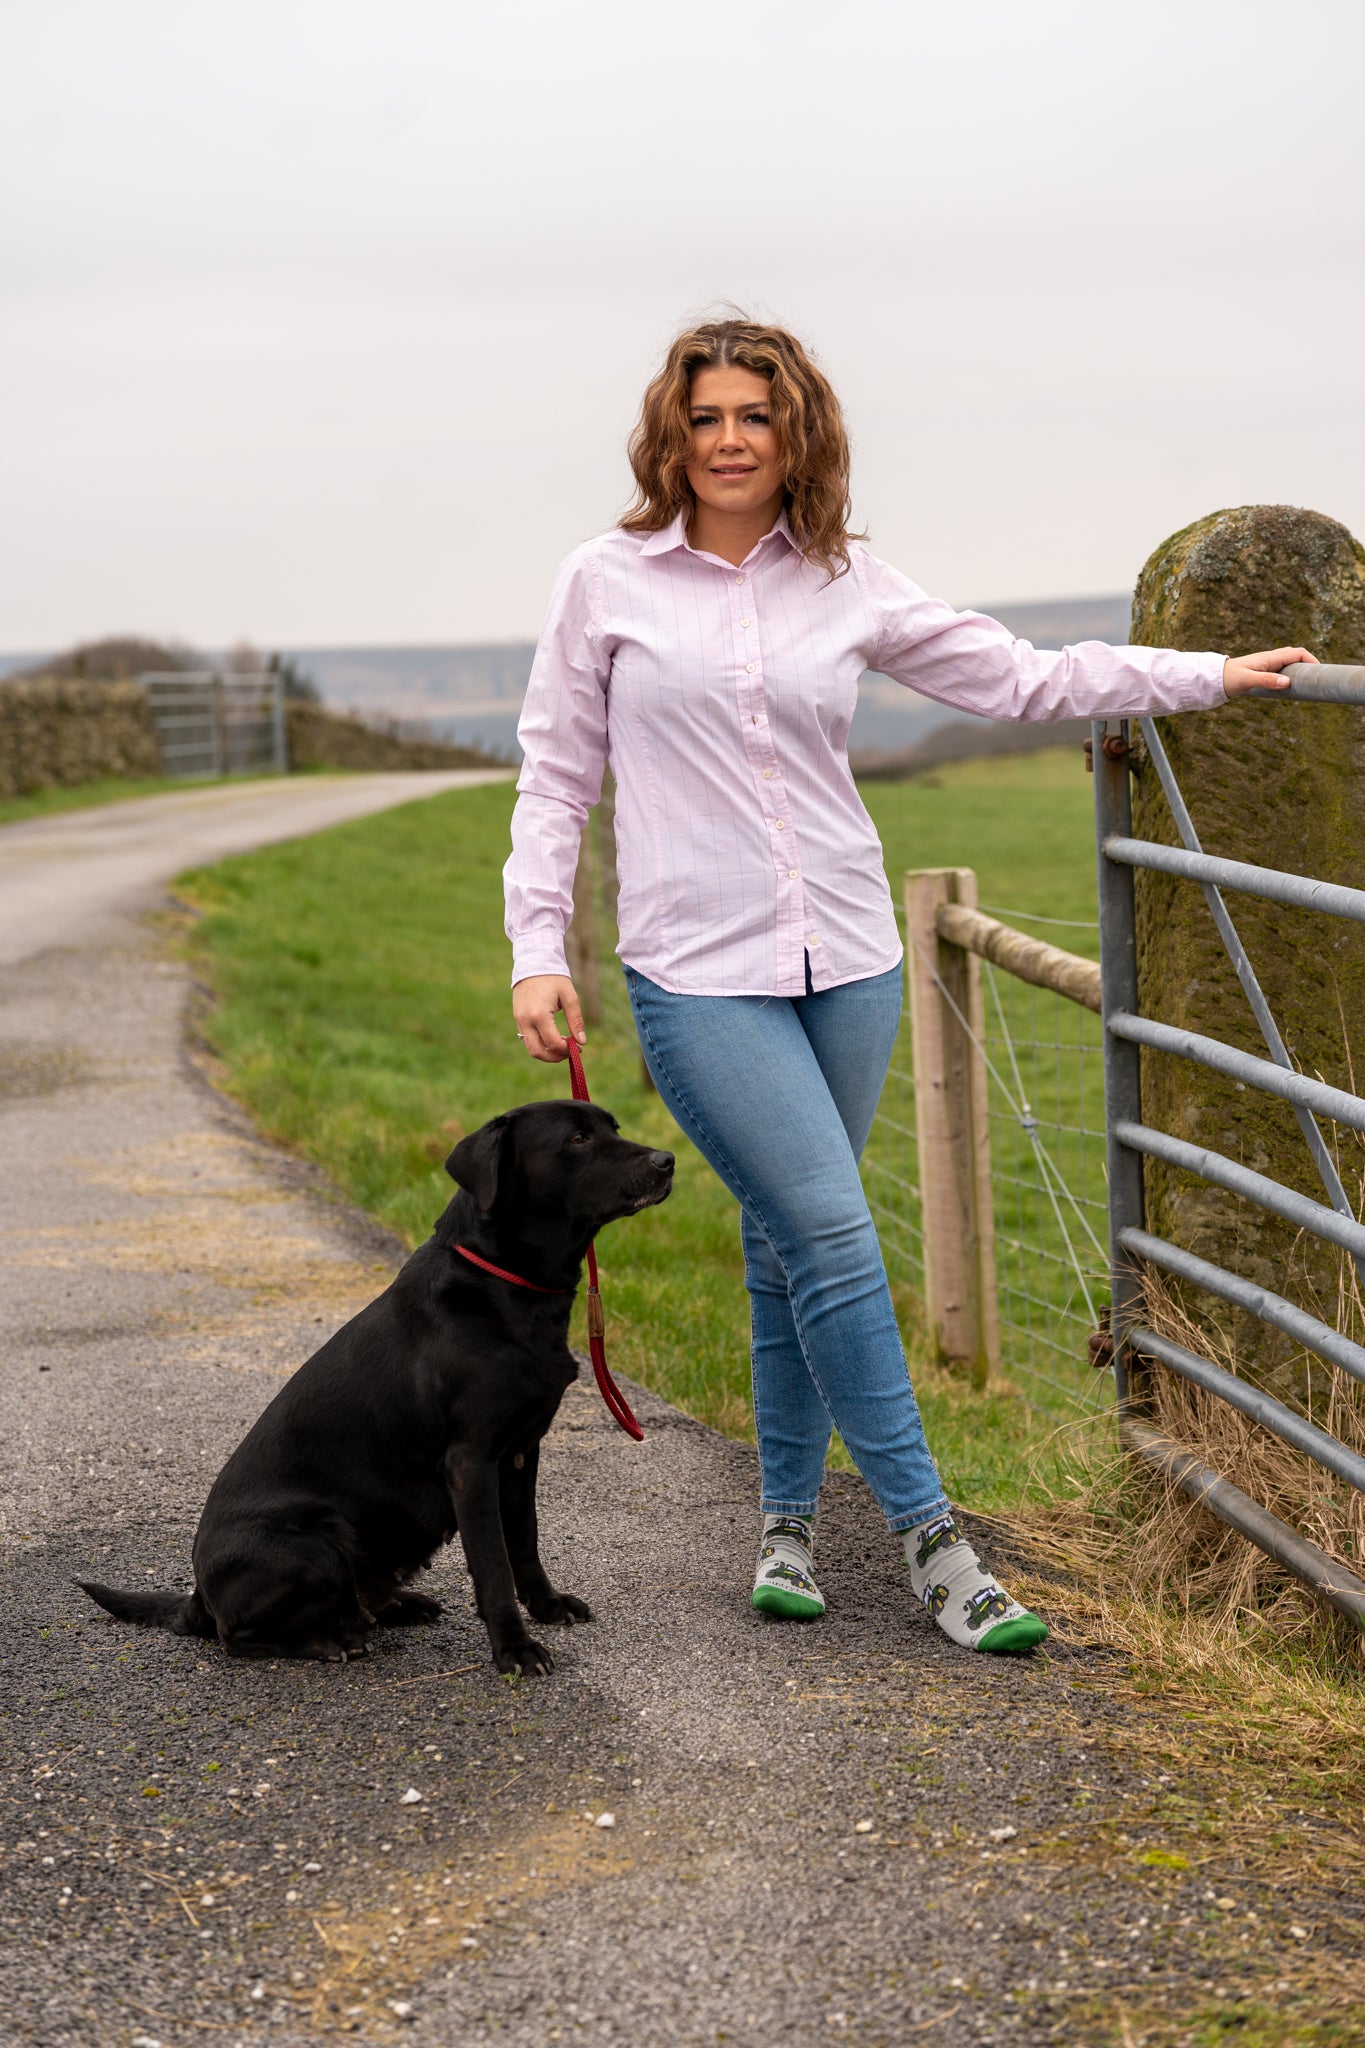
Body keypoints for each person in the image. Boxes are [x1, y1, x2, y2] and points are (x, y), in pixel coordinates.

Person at [503, 316, 1312, 1656]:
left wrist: (1205, 677)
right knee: (830, 1234)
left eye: (751, 417)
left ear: (795, 431)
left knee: (782, 1247)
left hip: (846, 958)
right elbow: (554, 777)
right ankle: (937, 1545)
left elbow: (1019, 678)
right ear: (670, 434)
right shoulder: (606, 581)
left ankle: (783, 1529)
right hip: (695, 971)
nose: (725, 443)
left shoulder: (844, 579)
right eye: (702, 418)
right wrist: (539, 947)